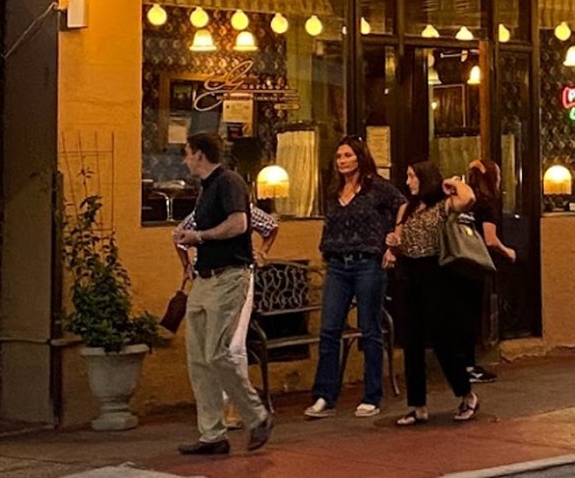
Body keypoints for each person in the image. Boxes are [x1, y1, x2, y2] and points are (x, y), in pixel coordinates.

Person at [171, 132, 272, 456]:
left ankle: (257, 416)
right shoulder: (206, 189)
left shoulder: (228, 182)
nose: (185, 159)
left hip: (230, 275)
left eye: (187, 153)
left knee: (216, 352)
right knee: (199, 357)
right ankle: (212, 434)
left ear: (199, 154)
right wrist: (187, 237)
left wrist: (198, 237)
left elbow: (240, 224)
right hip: (204, 278)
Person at [304, 137, 405, 421]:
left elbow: (402, 204)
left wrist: (393, 241)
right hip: (337, 263)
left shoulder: (377, 187)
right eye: (338, 157)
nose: (342, 161)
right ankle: (325, 396)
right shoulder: (335, 190)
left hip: (367, 263)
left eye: (347, 155)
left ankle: (372, 395)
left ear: (360, 157)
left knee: (369, 329)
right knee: (329, 329)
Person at [386, 161, 479, 425]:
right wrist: (393, 245)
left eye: (412, 176)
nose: (408, 182)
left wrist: (450, 184)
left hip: (435, 273)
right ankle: (418, 405)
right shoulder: (407, 208)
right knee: (411, 340)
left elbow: (468, 197)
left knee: (441, 338)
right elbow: (399, 240)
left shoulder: (443, 205)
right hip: (409, 273)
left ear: (425, 178)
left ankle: (467, 394)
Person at [173, 202, 279, 430]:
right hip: (207, 276)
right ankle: (221, 415)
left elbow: (271, 227)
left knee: (233, 345)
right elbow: (178, 236)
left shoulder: (243, 210)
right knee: (210, 347)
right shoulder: (203, 209)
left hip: (236, 274)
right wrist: (186, 266)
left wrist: (262, 252)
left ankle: (238, 410)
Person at [463, 159, 516, 384]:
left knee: (460, 315)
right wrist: (508, 252)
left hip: (457, 261)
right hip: (476, 265)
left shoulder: (462, 201)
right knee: (473, 315)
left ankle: (459, 364)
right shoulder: (488, 203)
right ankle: (468, 366)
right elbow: (490, 240)